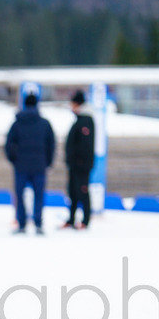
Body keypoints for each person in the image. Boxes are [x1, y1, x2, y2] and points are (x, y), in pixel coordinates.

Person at [4, 93, 54, 235]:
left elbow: (8, 144)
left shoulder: (18, 122)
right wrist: (47, 162)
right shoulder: (44, 123)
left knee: (20, 195)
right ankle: (38, 223)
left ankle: (22, 224)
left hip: (21, 165)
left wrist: (14, 160)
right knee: (39, 196)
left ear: (24, 104)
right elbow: (51, 144)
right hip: (39, 165)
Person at [62, 90, 95, 230]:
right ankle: (71, 219)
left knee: (82, 191)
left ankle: (85, 221)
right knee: (73, 193)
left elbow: (85, 145)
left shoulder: (86, 120)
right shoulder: (80, 120)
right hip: (74, 165)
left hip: (81, 166)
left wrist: (80, 161)